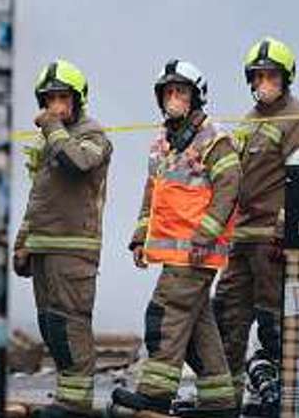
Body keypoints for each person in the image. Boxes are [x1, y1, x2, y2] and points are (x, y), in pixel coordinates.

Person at [112, 60, 239, 418]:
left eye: (180, 91)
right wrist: (141, 238)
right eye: (168, 92)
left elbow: (230, 187)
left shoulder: (214, 138)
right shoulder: (163, 142)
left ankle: (155, 394)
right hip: (175, 252)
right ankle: (220, 402)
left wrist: (207, 233)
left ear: (196, 96)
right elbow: (153, 193)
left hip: (197, 252)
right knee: (199, 326)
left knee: (163, 315)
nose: (173, 98)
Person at [214, 38, 299, 416]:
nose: (264, 82)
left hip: (270, 240)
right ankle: (224, 399)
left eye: (271, 75)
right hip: (241, 237)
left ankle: (284, 399)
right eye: (258, 76)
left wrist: (283, 229)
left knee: (274, 323)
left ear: (286, 77)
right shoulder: (249, 120)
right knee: (227, 314)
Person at [14, 60, 113, 418]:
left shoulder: (92, 135)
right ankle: (67, 398)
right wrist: (23, 242)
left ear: (78, 98)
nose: (55, 106)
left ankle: (77, 404)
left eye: (62, 98)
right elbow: (38, 196)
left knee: (71, 324)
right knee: (51, 326)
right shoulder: (49, 140)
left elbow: (78, 163)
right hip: (44, 247)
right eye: (49, 99)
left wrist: (53, 127)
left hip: (74, 250)